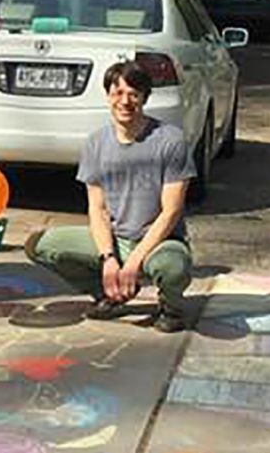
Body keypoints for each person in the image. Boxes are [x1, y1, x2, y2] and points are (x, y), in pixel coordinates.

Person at [22, 61, 195, 333]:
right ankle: (110, 294)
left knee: (174, 266)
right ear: (107, 96)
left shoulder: (171, 141)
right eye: (117, 93)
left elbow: (171, 212)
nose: (124, 101)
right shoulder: (95, 143)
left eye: (133, 94)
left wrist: (135, 261)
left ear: (145, 98)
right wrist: (108, 259)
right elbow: (98, 209)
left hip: (158, 241)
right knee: (40, 245)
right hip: (115, 237)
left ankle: (171, 308)